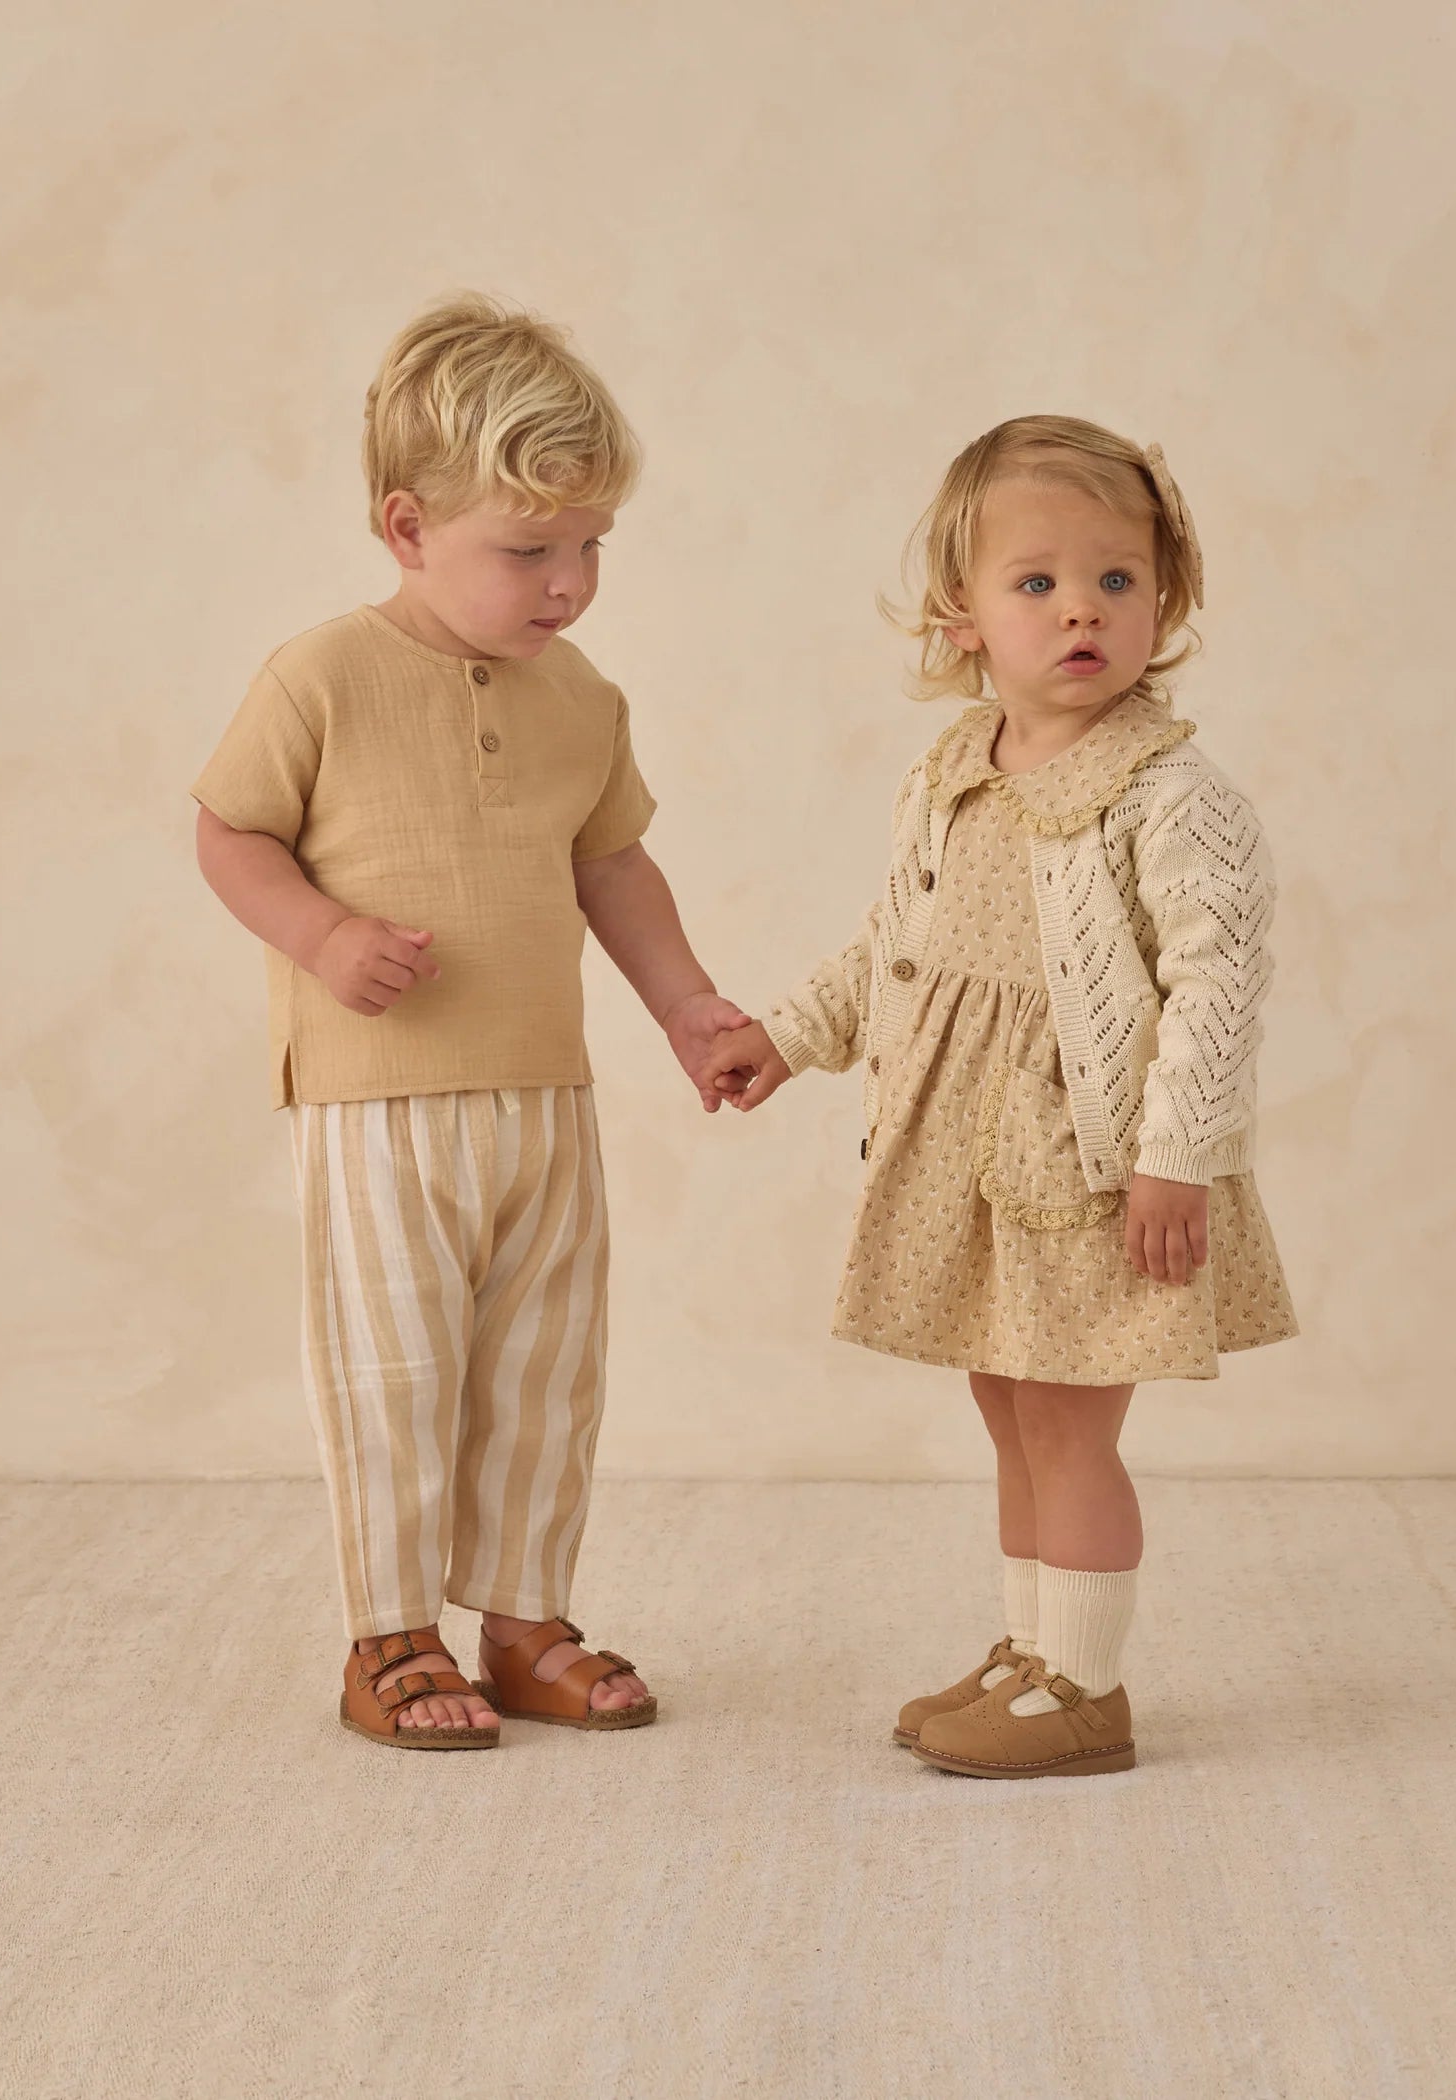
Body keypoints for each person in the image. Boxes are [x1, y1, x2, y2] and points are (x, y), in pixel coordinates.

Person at [700, 416, 1297, 1777]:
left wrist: (1175, 1157)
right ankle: (1036, 1650)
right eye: (1037, 582)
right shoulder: (953, 771)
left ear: (1164, 602)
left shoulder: (1168, 793)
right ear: (961, 615)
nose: (1081, 608)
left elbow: (1216, 989)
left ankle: (1086, 1689)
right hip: (971, 1165)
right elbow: (894, 944)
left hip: (1088, 1170)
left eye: (1116, 580)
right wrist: (788, 1038)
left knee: (1071, 1421)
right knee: (1011, 1407)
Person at [192, 293, 747, 1748]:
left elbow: (612, 864)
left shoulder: (583, 699)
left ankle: (522, 1620)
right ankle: (389, 1634)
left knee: (545, 1370)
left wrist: (688, 1007)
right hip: (376, 1100)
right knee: (394, 1372)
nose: (569, 584)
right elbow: (231, 833)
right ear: (406, 526)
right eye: (529, 550)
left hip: (544, 1095)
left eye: (592, 547)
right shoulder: (320, 676)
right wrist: (322, 936)